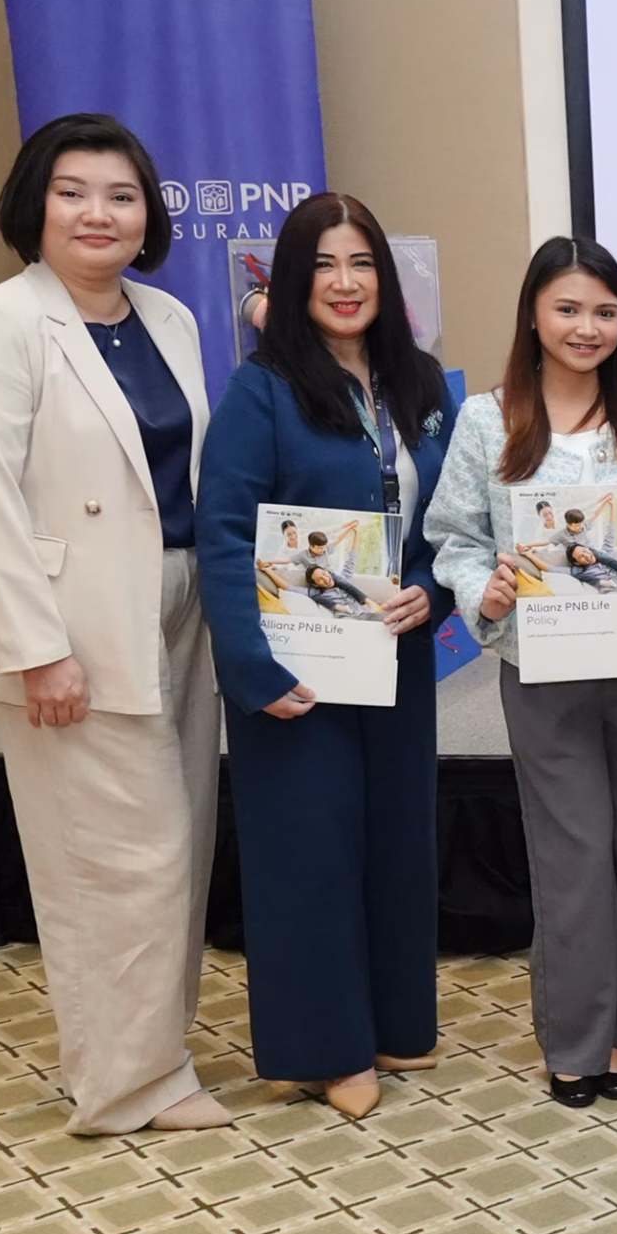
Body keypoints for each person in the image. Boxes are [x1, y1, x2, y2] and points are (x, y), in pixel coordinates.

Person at [0, 113, 226, 1134]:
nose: (98, 213)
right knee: (112, 859)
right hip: (72, 626)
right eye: (73, 192)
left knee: (178, 840)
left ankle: (157, 1051)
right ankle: (123, 1084)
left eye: (121, 195)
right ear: (35, 204)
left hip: (181, 604)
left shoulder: (168, 317)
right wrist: (37, 650)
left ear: (148, 214)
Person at [427, 236, 617, 1108]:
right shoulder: (488, 421)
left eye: (605, 312)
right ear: (534, 316)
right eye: (569, 309)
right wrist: (485, 590)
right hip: (542, 668)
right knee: (573, 853)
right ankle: (580, 1036)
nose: (588, 328)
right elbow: (454, 539)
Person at [197, 192, 454, 1121]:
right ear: (293, 282)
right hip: (294, 668)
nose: (345, 283)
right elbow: (225, 534)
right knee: (308, 851)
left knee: (395, 844)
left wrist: (434, 589)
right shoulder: (261, 390)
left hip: (394, 656)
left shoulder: (424, 385)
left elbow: (450, 524)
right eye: (323, 266)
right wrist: (252, 669)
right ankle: (324, 1049)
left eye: (362, 264)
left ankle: (393, 1021)